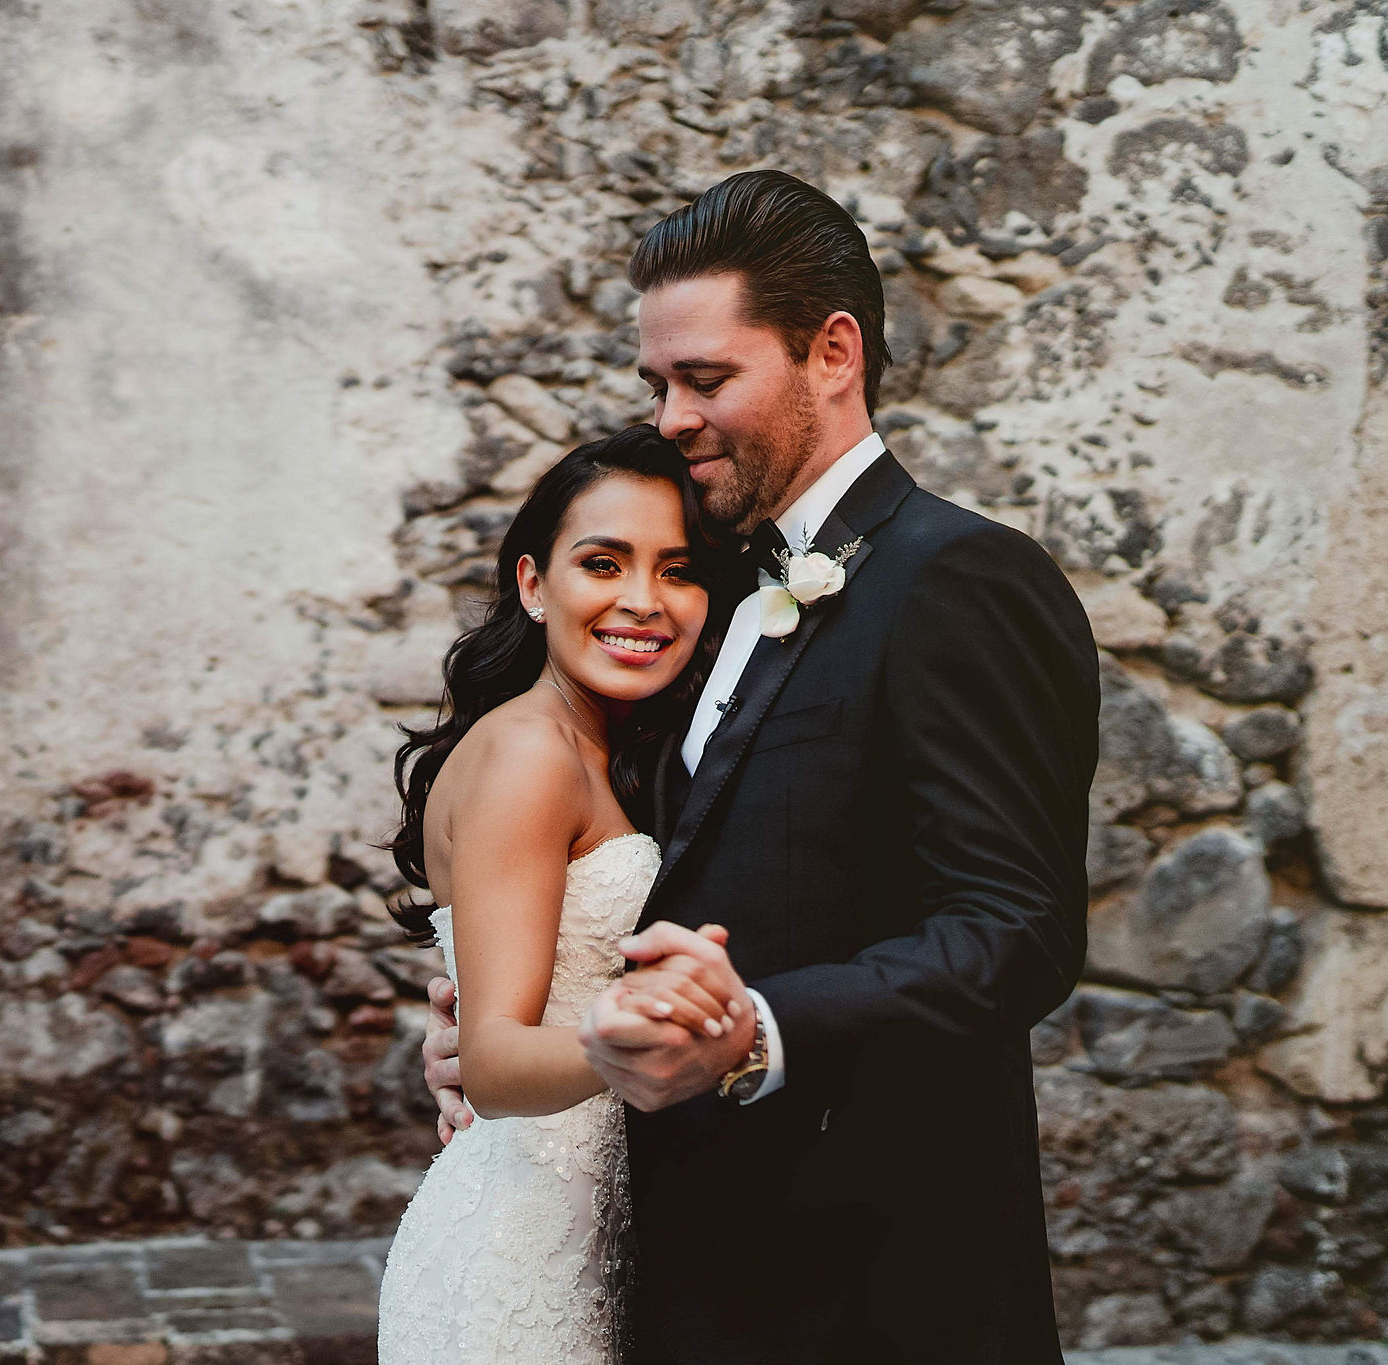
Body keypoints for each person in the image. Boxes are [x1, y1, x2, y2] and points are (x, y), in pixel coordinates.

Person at [417, 169, 1101, 1364]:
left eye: (706, 379)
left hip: (871, 1282)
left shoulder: (956, 579)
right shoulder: (715, 587)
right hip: (691, 1265)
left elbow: (1015, 932)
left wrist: (757, 1031)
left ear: (830, 353)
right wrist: (514, 1029)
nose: (673, 415)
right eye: (657, 384)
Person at [376, 425, 740, 1363]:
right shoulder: (532, 754)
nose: (642, 601)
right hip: (516, 1274)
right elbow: (492, 1067)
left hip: (596, 1250)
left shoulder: (609, 755)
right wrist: (655, 1037)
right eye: (604, 562)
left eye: (678, 568)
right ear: (536, 585)